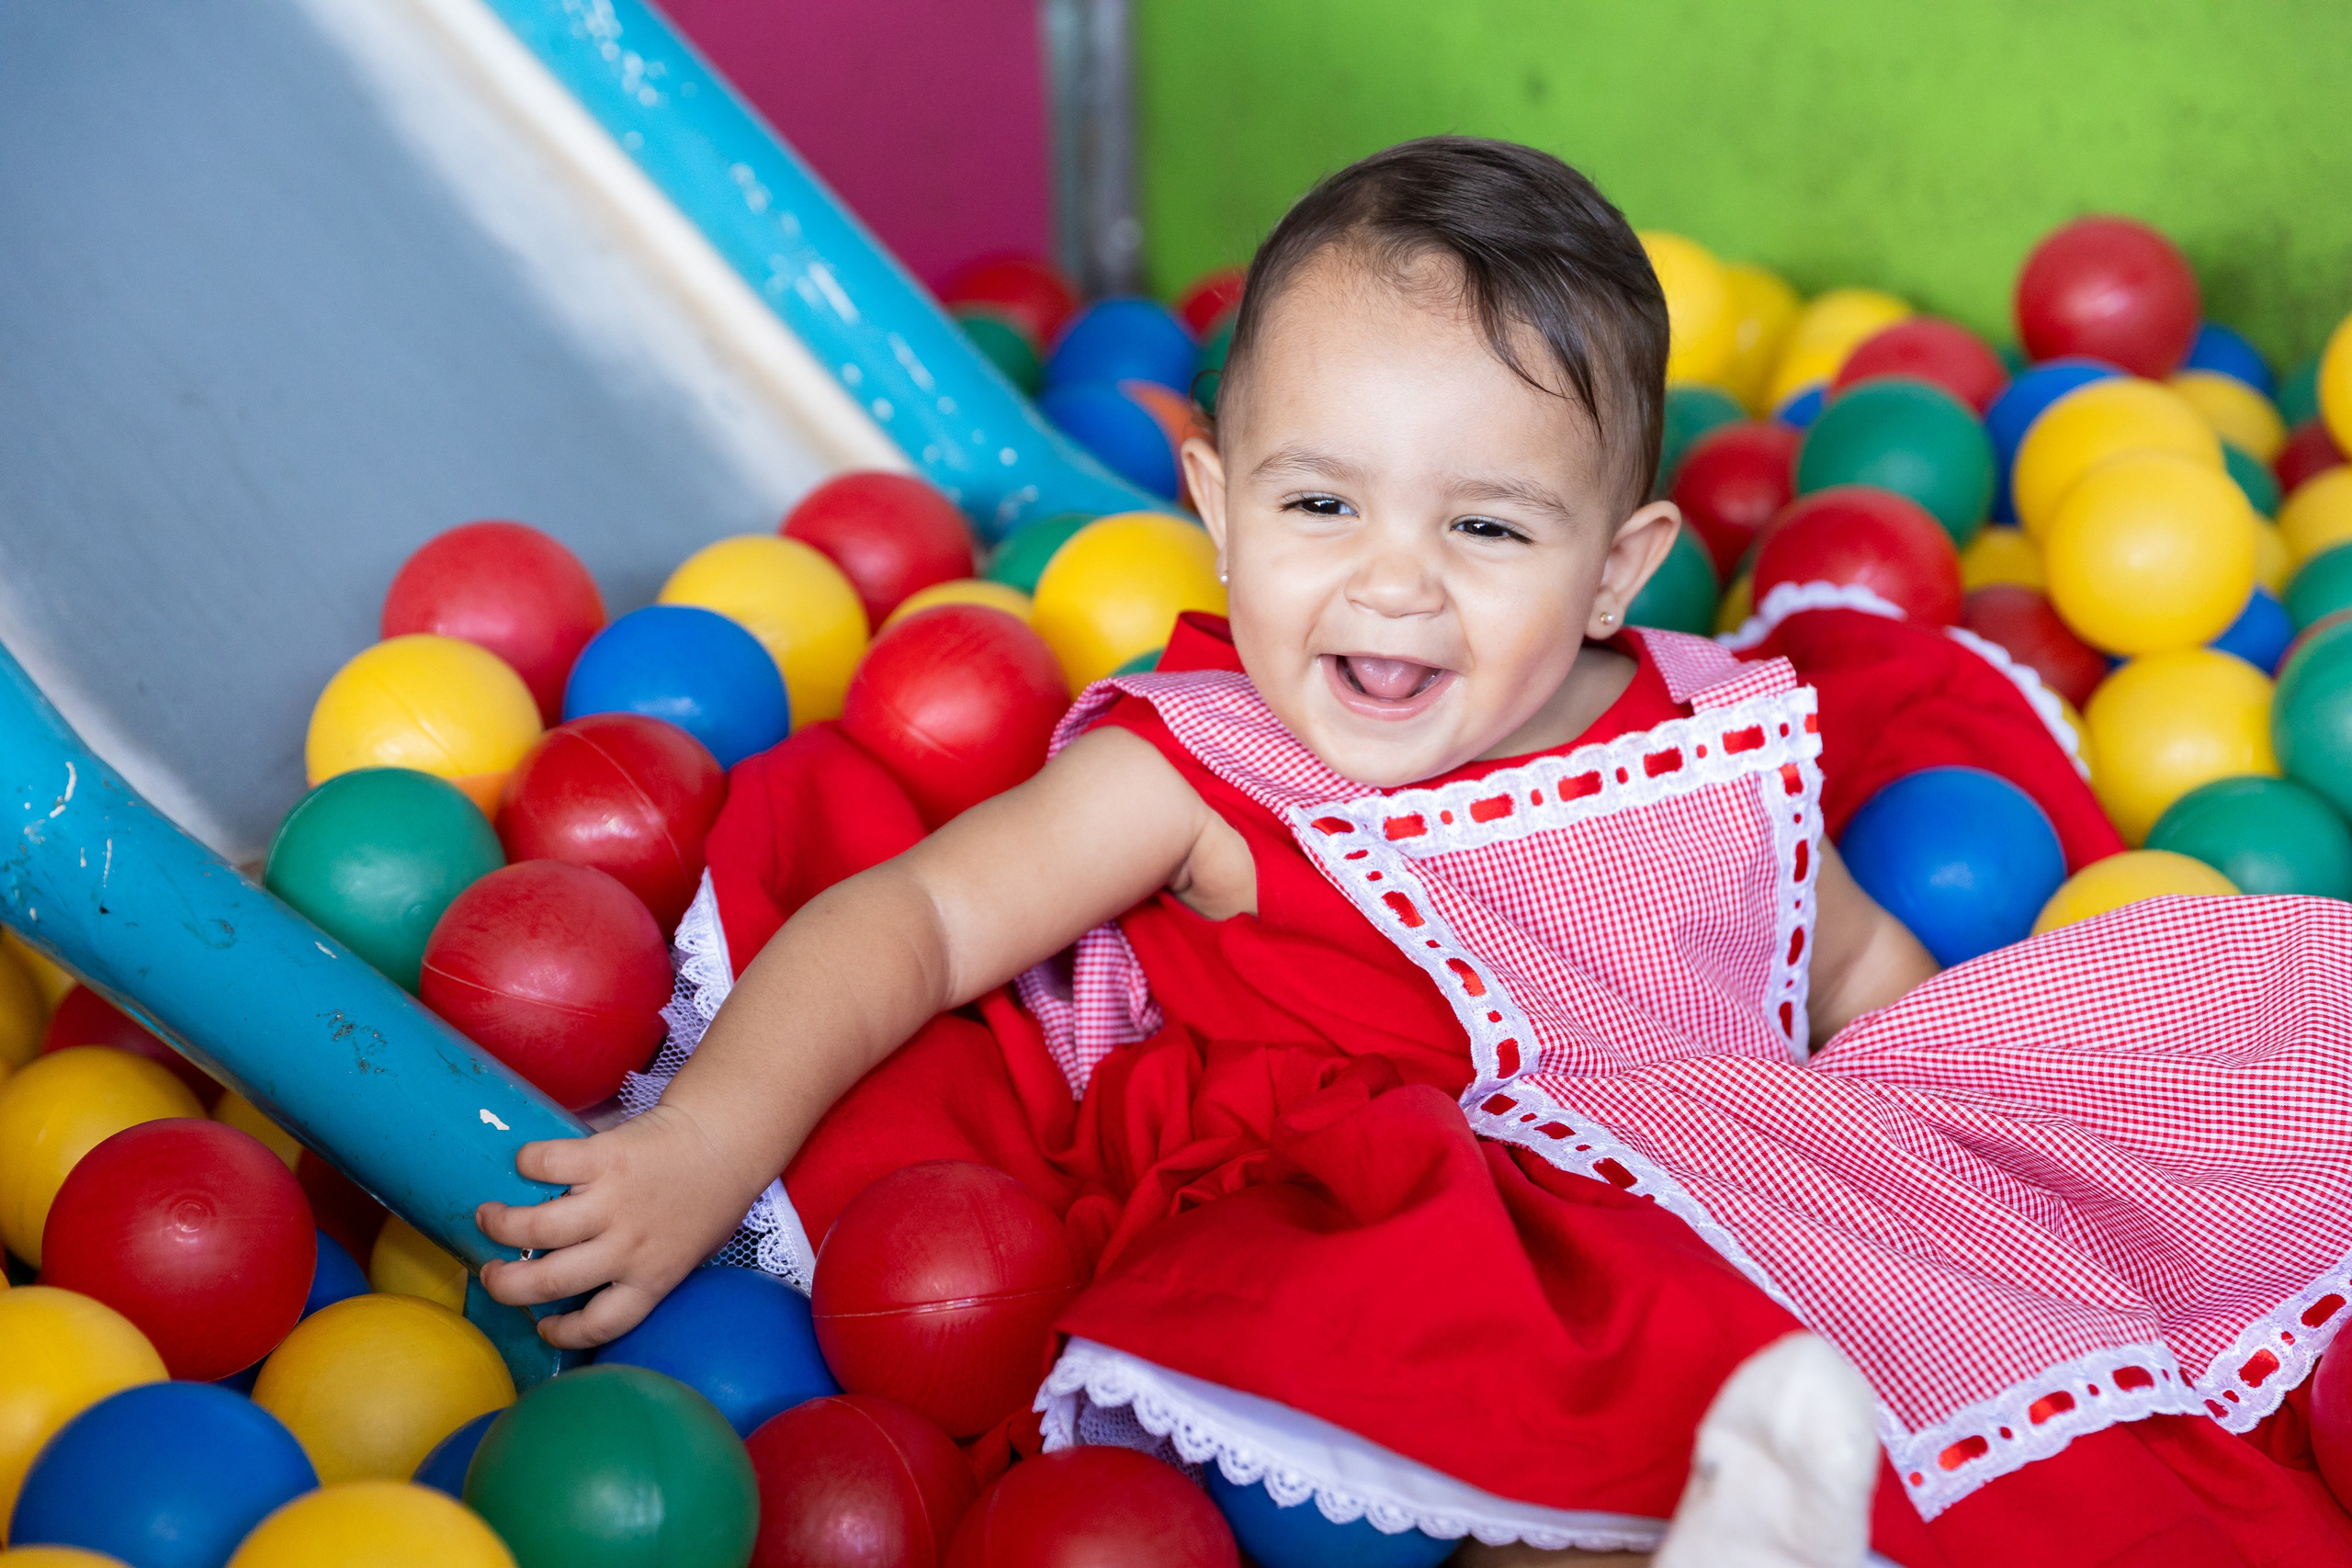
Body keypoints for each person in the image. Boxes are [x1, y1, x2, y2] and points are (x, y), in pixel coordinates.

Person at [478, 139, 2352, 1566]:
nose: (1391, 582)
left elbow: (1851, 964)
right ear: (1215, 510)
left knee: (1966, 1288)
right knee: (1463, 1394)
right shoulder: (1202, 767)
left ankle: (1783, 1499)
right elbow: (915, 918)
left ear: (1617, 567)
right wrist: (703, 1137)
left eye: (1486, 526)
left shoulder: (1705, 733)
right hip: (1408, 1227)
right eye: (1319, 502)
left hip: (1708, 1193)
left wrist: (1931, 1166)